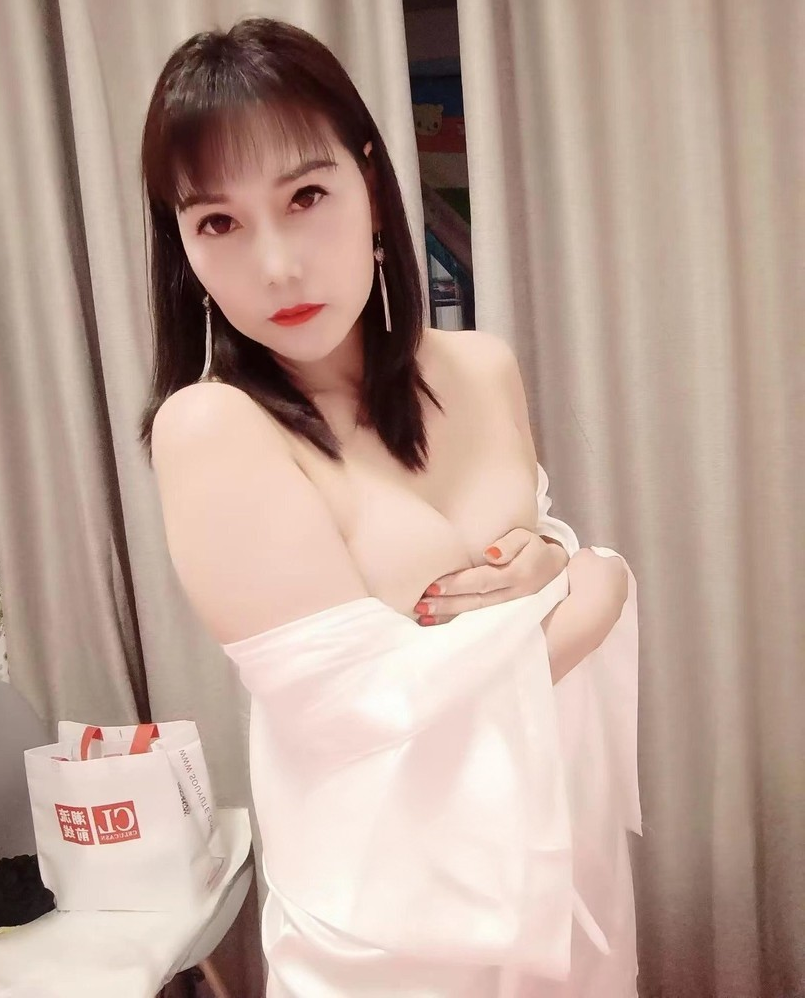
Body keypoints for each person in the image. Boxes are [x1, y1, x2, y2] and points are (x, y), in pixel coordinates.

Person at [139, 17, 640, 998]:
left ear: (371, 184)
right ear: (183, 248)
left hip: (556, 877)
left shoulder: (481, 367)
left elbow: (517, 569)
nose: (276, 264)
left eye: (305, 196)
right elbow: (364, 711)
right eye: (219, 223)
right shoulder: (212, 428)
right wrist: (602, 583)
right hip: (386, 935)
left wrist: (554, 554)